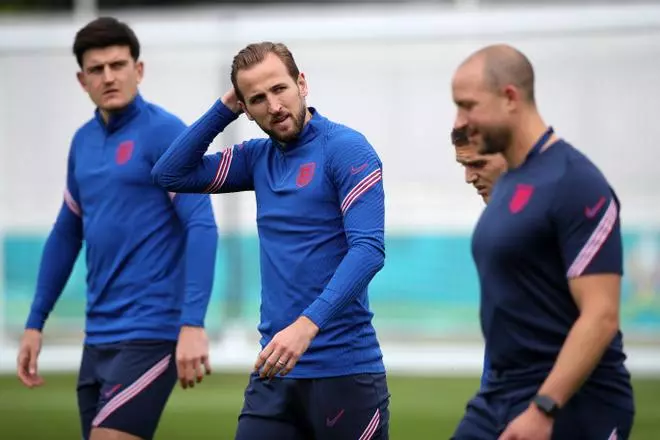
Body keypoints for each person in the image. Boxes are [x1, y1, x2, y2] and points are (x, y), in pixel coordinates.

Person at [152, 41, 390, 440]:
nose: (274, 105)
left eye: (280, 89)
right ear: (244, 107)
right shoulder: (255, 158)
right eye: (257, 99)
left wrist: (306, 325)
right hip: (273, 372)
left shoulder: (345, 148)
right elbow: (170, 174)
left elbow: (368, 251)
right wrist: (223, 108)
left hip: (345, 373)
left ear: (301, 83)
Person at [15, 17, 218, 440]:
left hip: (151, 329)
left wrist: (193, 323)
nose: (109, 76)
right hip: (99, 334)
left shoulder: (166, 133)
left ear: (138, 70)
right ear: (81, 79)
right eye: (97, 68)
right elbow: (67, 233)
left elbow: (201, 224)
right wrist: (35, 322)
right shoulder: (82, 143)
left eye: (118, 64)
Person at [449, 44, 635, 439]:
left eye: (468, 105)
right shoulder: (509, 183)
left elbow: (601, 315)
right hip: (500, 395)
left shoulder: (575, 181)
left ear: (510, 98)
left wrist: (544, 407)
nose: (461, 120)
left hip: (575, 404)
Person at [452, 125, 508, 391]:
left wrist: (546, 404)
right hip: (502, 392)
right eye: (464, 164)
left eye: (477, 164)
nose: (468, 177)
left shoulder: (555, 213)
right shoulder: (495, 223)